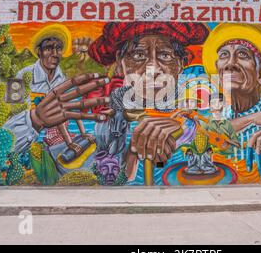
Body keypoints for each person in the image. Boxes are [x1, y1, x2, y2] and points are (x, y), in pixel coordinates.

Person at [87, 22, 210, 183]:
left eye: (165, 55)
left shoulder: (196, 103)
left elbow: (212, 130)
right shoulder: (109, 116)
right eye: (138, 55)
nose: (152, 68)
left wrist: (183, 128)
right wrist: (132, 153)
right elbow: (111, 178)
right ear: (120, 61)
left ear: (181, 63)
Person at [202, 24, 261, 181]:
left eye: (243, 55)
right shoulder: (213, 113)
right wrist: (253, 118)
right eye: (224, 55)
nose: (230, 63)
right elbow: (207, 134)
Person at [3, 25, 111, 155]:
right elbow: (9, 113)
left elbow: (67, 111)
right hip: (24, 140)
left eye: (58, 48)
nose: (54, 54)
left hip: (51, 137)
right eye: (49, 48)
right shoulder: (21, 76)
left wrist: (82, 134)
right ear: (39, 52)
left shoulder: (61, 79)